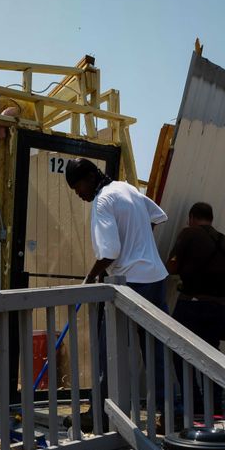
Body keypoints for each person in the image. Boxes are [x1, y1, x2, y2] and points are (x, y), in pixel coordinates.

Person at [65, 158, 168, 420]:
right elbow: (157, 216)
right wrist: (138, 242)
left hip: (129, 283)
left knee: (108, 349)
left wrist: (90, 277)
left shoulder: (102, 201)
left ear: (90, 177)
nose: (79, 195)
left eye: (79, 188)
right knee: (157, 349)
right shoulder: (127, 188)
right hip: (155, 277)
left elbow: (110, 252)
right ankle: (169, 411)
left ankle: (99, 413)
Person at [167, 201, 225, 412]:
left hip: (193, 303)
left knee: (180, 351)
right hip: (220, 307)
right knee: (211, 354)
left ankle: (193, 400)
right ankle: (215, 402)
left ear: (192, 217)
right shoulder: (224, 240)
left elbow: (172, 265)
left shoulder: (189, 233)